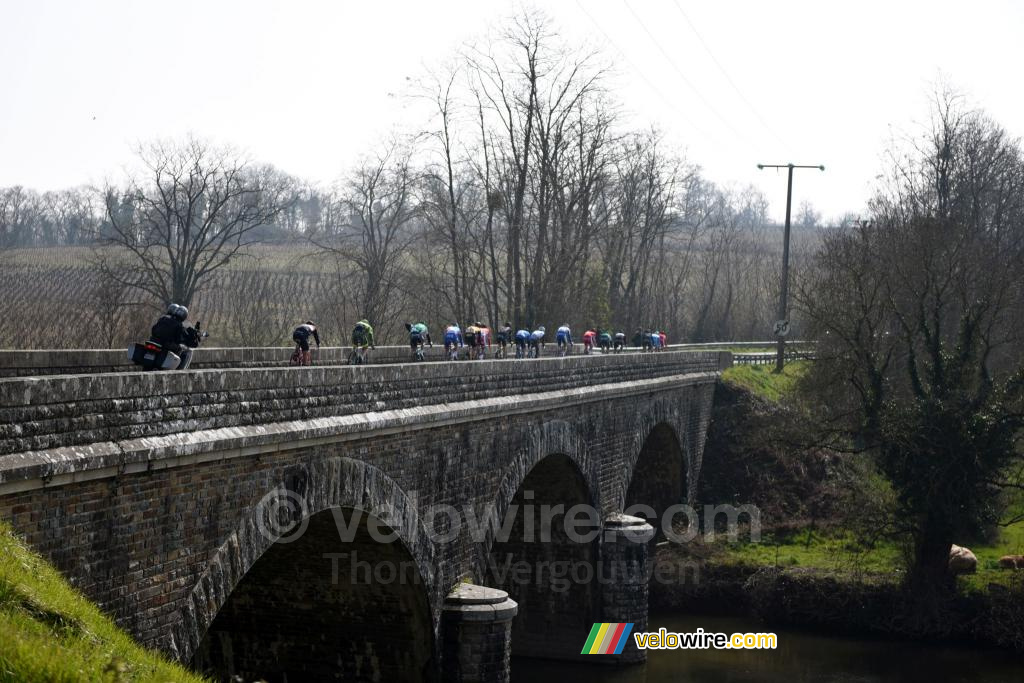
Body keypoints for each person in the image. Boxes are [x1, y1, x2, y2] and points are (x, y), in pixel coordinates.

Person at [150, 303, 201, 369]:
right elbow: (179, 339)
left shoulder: (163, 319)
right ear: (184, 316)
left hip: (153, 341)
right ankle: (178, 369)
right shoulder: (179, 325)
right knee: (181, 348)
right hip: (166, 345)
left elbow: (153, 329)